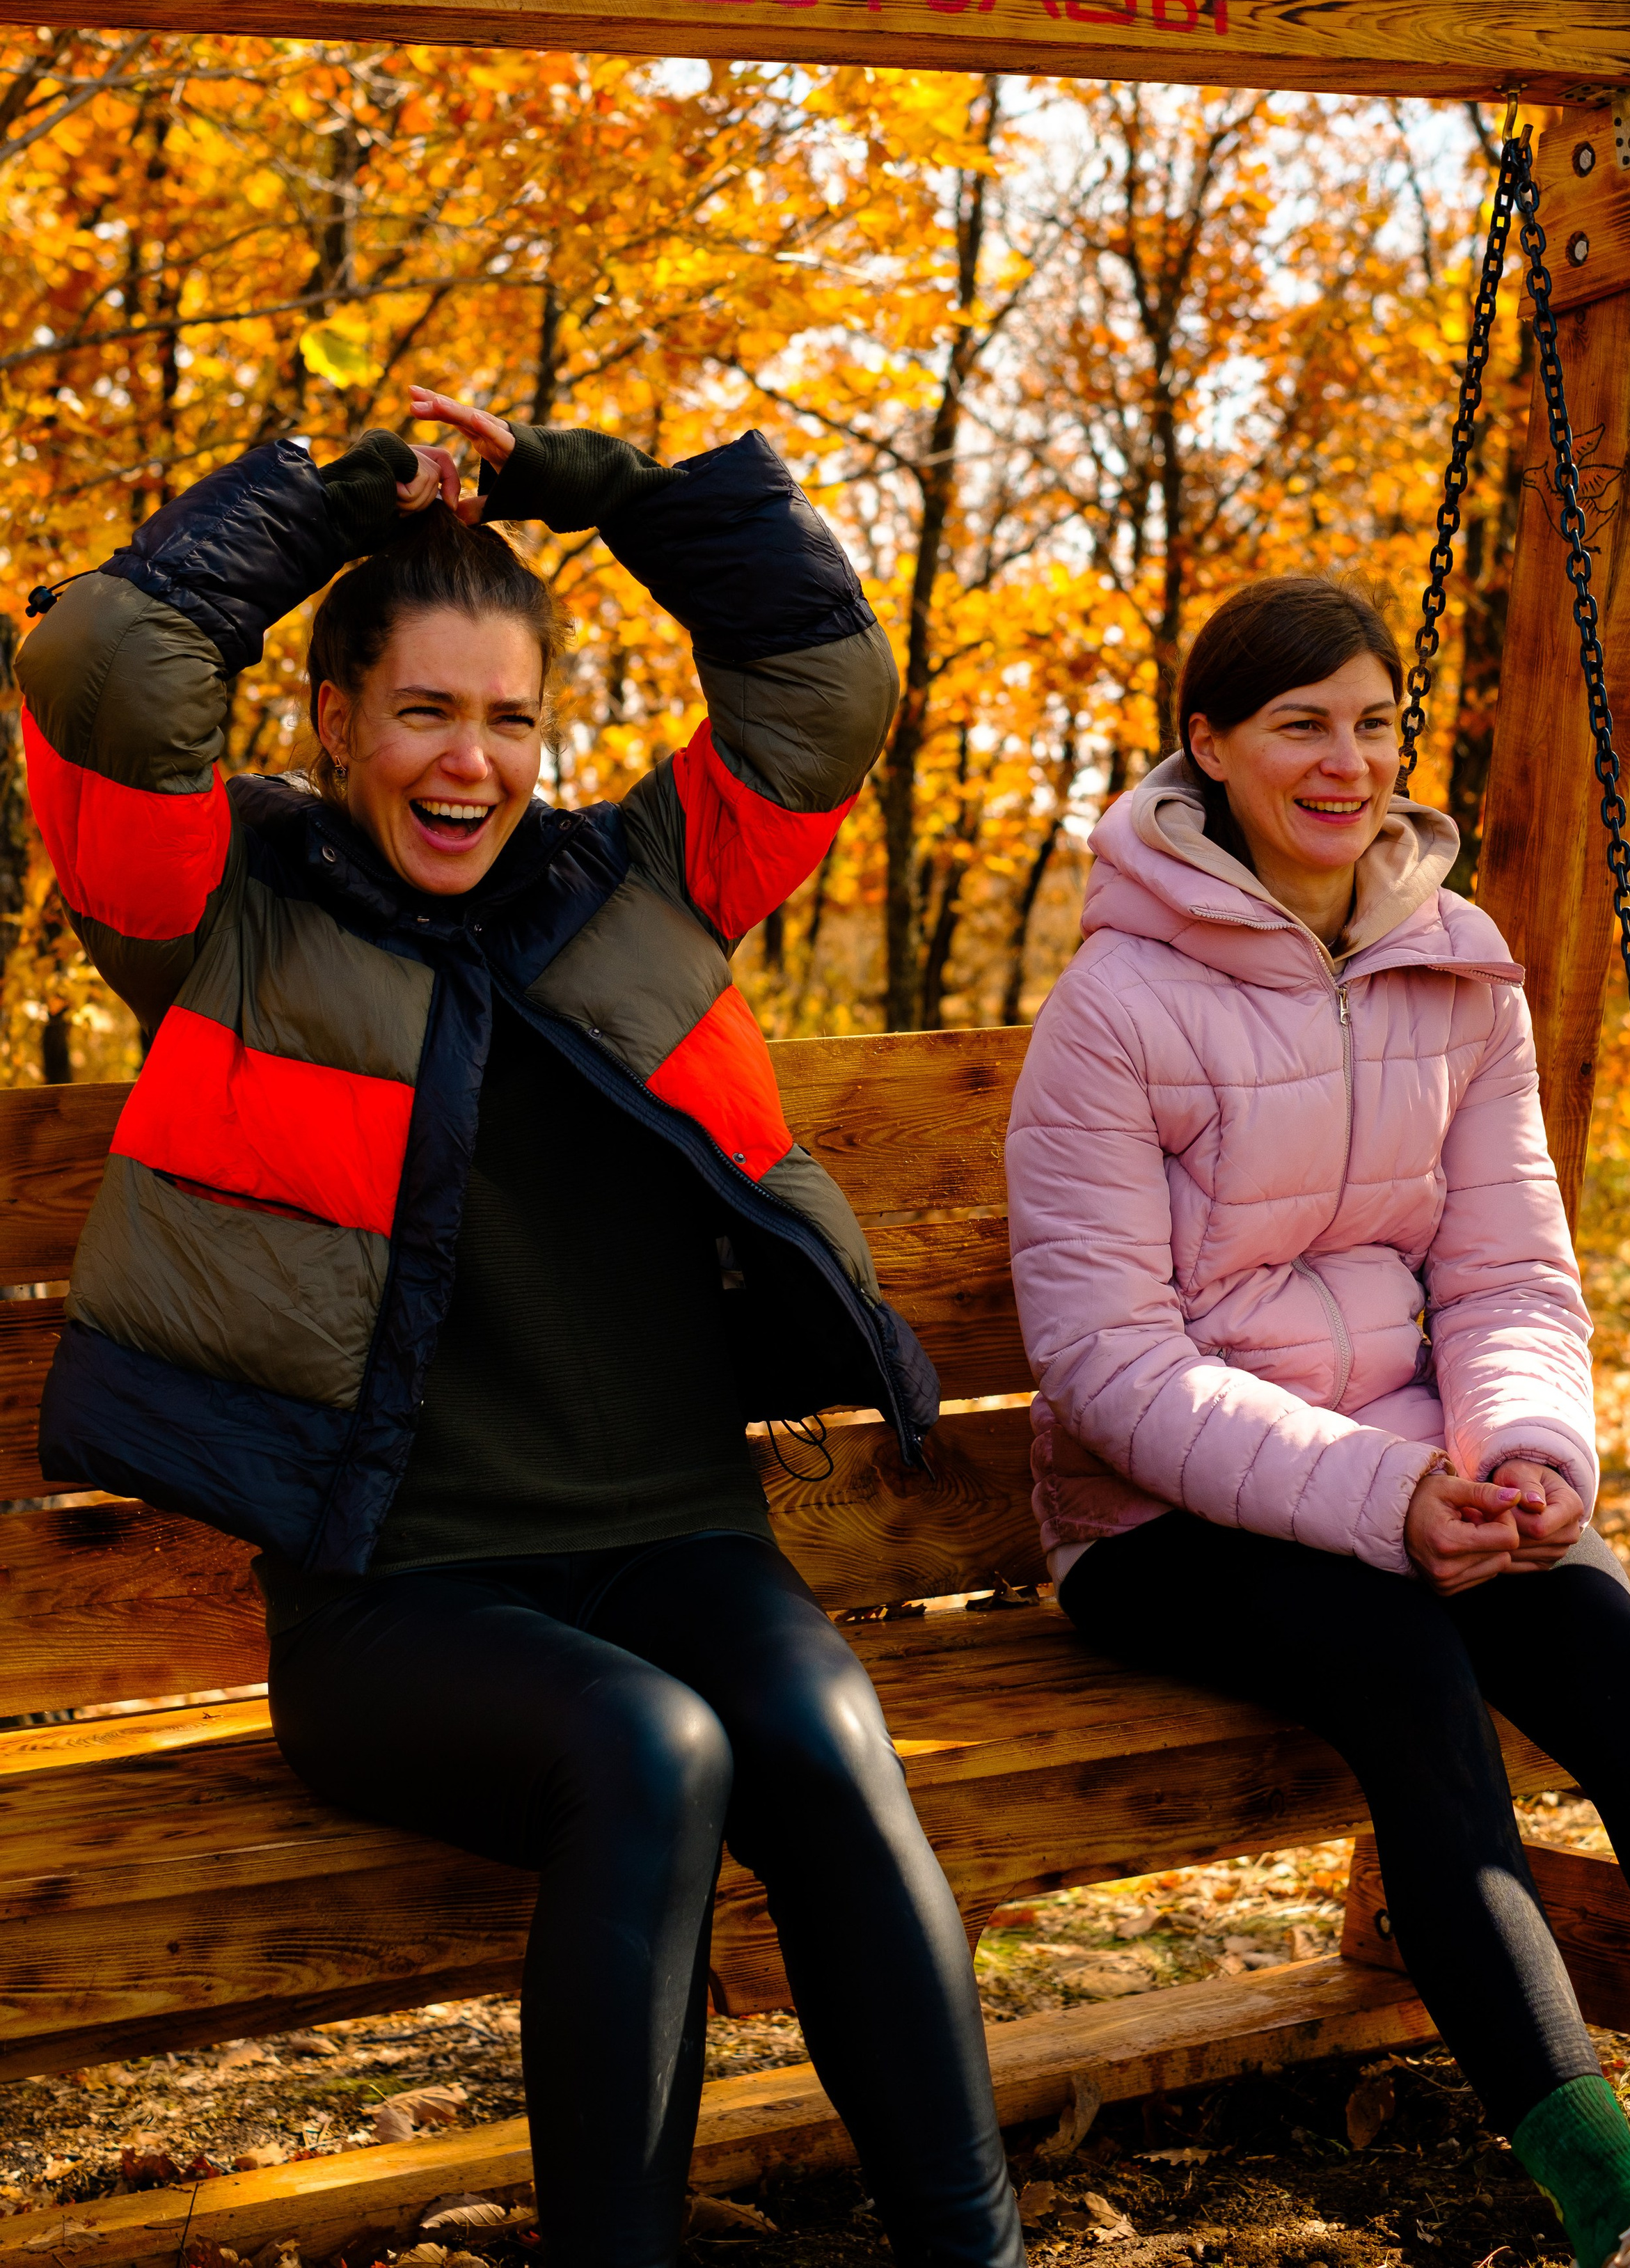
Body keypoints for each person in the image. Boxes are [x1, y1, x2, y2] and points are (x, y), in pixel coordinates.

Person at [19, 393, 1024, 2268]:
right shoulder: (225, 912)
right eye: (423, 710)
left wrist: (605, 488)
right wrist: (335, 508)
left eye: (510, 716)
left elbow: (829, 688)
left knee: (817, 1733)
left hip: (676, 1546)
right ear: (334, 724)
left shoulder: (636, 888)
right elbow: (100, 660)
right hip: (398, 1604)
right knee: (655, 1753)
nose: (469, 761)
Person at [1004, 572, 1630, 2268]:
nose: (1344, 762)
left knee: (1615, 1669)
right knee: (1404, 1668)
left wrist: (1522, 1455)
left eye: (1369, 722)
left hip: (1417, 1475)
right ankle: (1611, 2204)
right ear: (1205, 749)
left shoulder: (1457, 971)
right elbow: (1106, 1360)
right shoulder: (1116, 1008)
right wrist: (1380, 1493)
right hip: (1156, 1524)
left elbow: (1510, 1273)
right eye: (1298, 726)